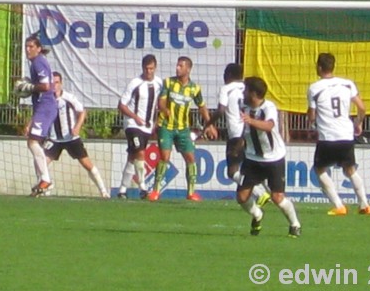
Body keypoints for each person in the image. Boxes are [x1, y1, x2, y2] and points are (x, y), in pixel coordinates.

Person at [307, 52, 370, 216]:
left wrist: (312, 123)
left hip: (328, 136)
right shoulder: (347, 84)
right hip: (346, 134)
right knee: (350, 169)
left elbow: (311, 113)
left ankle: (339, 205)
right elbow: (362, 108)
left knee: (320, 169)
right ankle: (364, 204)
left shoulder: (314, 88)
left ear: (319, 67)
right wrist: (358, 123)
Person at [238, 76, 301, 238]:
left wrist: (250, 121)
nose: (243, 93)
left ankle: (295, 224)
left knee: (277, 197)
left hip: (274, 158)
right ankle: (257, 215)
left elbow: (269, 125)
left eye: (246, 90)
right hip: (252, 158)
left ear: (253, 93)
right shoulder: (243, 106)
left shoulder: (268, 107)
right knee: (242, 197)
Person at [204, 63, 270, 206]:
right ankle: (275, 194)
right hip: (251, 132)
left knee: (232, 171)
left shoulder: (226, 89)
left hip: (236, 134)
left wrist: (209, 123)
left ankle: (260, 193)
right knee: (256, 166)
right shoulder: (247, 88)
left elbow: (221, 110)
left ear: (227, 76)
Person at [148, 56, 213, 202]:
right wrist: (165, 109)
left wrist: (210, 124)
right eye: (177, 65)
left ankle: (191, 193)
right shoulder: (168, 82)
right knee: (165, 157)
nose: (177, 68)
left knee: (191, 158)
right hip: (166, 127)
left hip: (183, 129)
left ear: (188, 69)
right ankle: (156, 191)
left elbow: (202, 106)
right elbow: (161, 102)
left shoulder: (194, 88)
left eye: (181, 66)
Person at [43, 72, 110, 198]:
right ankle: (47, 188)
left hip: (71, 138)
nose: (54, 85)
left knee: (87, 164)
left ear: (61, 84)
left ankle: (103, 191)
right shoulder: (47, 99)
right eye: (52, 82)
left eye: (57, 82)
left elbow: (82, 111)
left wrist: (77, 127)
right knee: (41, 162)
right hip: (54, 139)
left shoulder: (69, 98)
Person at [14, 34, 58, 197]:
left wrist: (30, 86)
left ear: (38, 49)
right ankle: (43, 182)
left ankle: (45, 180)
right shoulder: (35, 63)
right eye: (26, 46)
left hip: (46, 106)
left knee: (33, 142)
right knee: (34, 142)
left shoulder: (39, 61)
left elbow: (46, 86)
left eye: (31, 46)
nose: (28, 49)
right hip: (42, 107)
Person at [116, 54, 161, 199]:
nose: (149, 72)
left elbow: (159, 104)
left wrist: (156, 121)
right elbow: (121, 105)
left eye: (151, 69)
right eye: (146, 69)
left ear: (155, 68)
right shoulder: (135, 83)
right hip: (132, 124)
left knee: (133, 156)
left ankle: (122, 189)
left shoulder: (159, 83)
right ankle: (143, 187)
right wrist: (135, 117)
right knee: (140, 152)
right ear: (142, 68)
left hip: (147, 127)